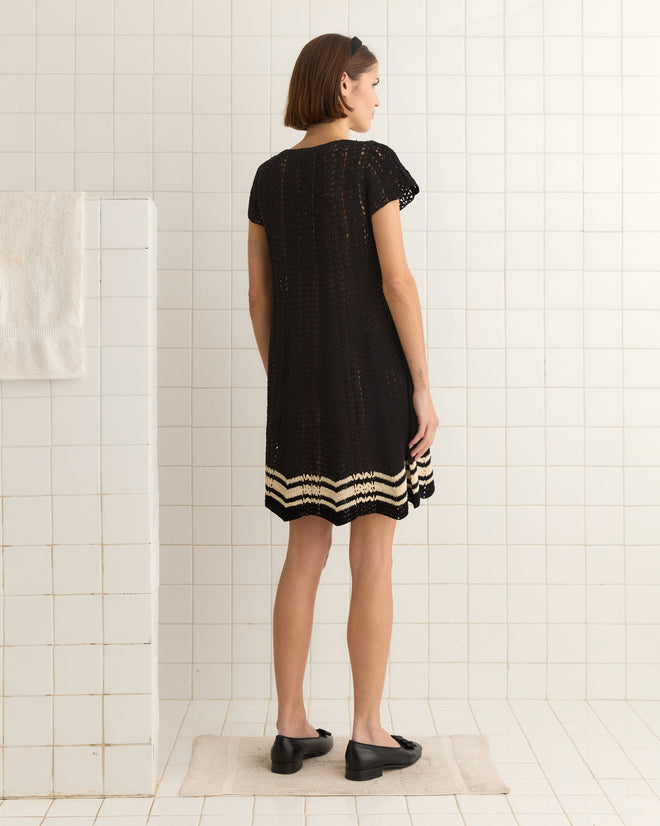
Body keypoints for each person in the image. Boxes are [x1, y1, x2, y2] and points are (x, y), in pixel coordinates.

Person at [247, 33, 439, 781]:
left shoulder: (268, 177)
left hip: (299, 390)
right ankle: (367, 732)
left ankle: (291, 728)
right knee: (373, 553)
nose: (378, 97)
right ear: (343, 87)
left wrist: (289, 377)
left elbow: (259, 296)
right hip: (372, 383)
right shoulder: (370, 164)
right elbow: (398, 283)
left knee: (303, 551)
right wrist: (421, 383)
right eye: (374, 83)